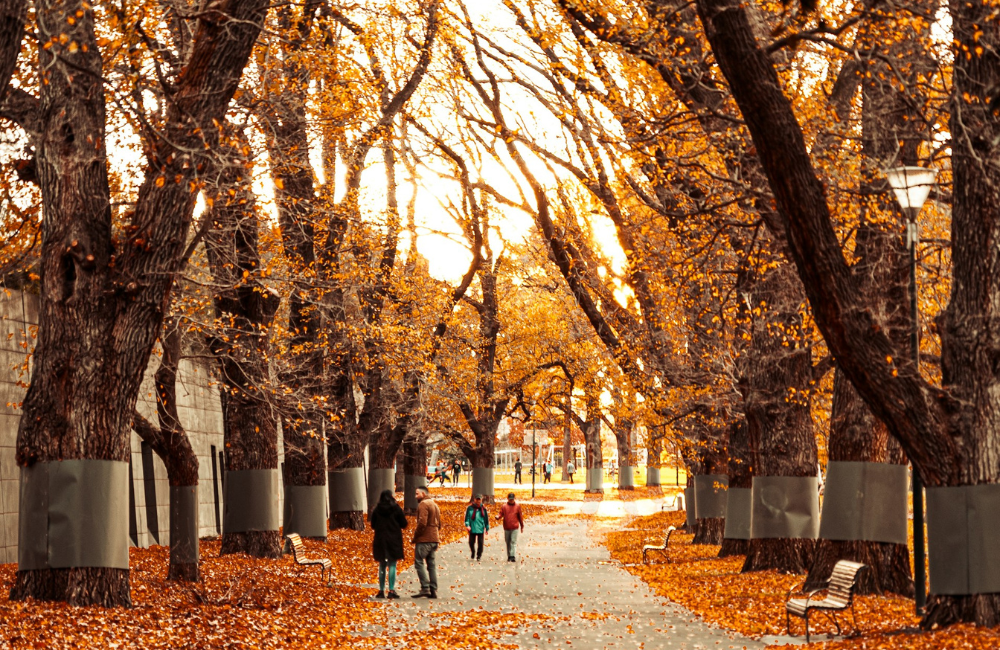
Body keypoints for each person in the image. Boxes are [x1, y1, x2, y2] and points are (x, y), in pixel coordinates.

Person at [369, 488, 407, 599]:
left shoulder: (377, 510)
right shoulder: (396, 509)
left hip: (380, 540)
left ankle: (381, 590)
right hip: (393, 540)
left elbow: (373, 525)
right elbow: (404, 523)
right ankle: (391, 590)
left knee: (382, 565)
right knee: (392, 564)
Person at [411, 486, 441, 598]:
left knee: (419, 562)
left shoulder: (423, 504)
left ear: (423, 494)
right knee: (431, 565)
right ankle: (433, 589)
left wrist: (416, 535)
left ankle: (425, 587)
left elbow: (422, 523)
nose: (415, 496)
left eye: (417, 493)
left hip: (425, 539)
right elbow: (440, 524)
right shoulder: (434, 504)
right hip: (434, 538)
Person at [497, 492, 524, 562]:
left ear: (514, 499)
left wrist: (522, 525)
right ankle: (509, 555)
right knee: (508, 542)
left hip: (515, 527)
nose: (511, 501)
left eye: (512, 499)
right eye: (510, 499)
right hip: (507, 527)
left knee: (513, 541)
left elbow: (520, 516)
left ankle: (512, 556)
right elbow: (501, 513)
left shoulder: (517, 506)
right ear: (508, 499)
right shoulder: (504, 506)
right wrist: (498, 517)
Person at [465, 494, 490, 560]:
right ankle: (473, 552)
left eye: (479, 499)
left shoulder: (483, 509)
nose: (478, 501)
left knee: (480, 543)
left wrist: (487, 528)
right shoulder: (470, 508)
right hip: (472, 528)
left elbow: (486, 519)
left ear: (481, 500)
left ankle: (479, 555)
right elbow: (467, 518)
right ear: (474, 500)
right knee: (471, 542)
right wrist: (467, 525)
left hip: (480, 528)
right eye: (477, 499)